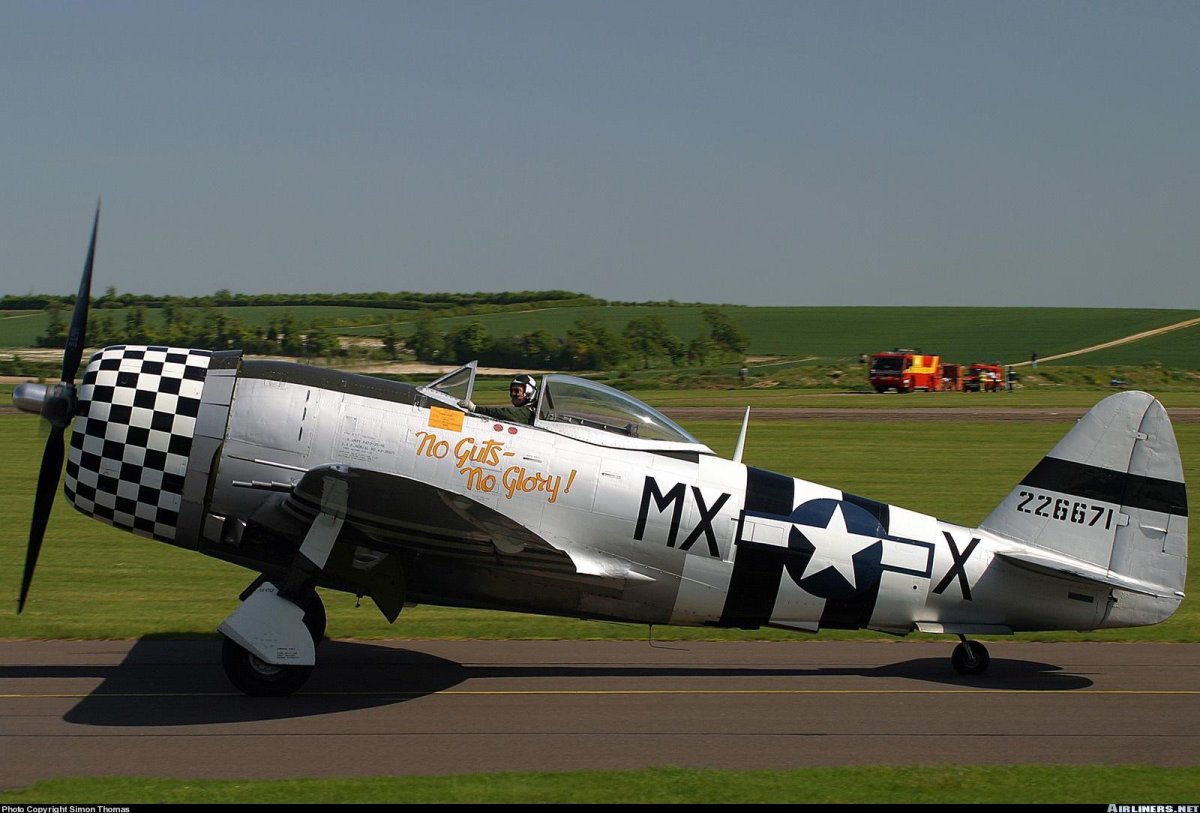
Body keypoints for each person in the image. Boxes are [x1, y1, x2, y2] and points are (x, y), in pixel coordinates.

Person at [465, 374, 538, 424]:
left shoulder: (526, 412)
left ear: (528, 392)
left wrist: (474, 408)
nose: (513, 394)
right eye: (511, 390)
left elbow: (503, 413)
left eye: (517, 391)